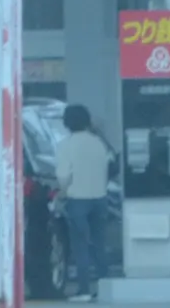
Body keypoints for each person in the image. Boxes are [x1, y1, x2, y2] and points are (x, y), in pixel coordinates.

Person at [55, 104, 113, 302]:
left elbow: (63, 176)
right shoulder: (99, 143)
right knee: (99, 244)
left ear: (66, 122)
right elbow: (109, 166)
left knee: (80, 246)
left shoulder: (66, 145)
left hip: (77, 200)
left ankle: (84, 290)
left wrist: (60, 195)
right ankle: (105, 288)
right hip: (100, 198)